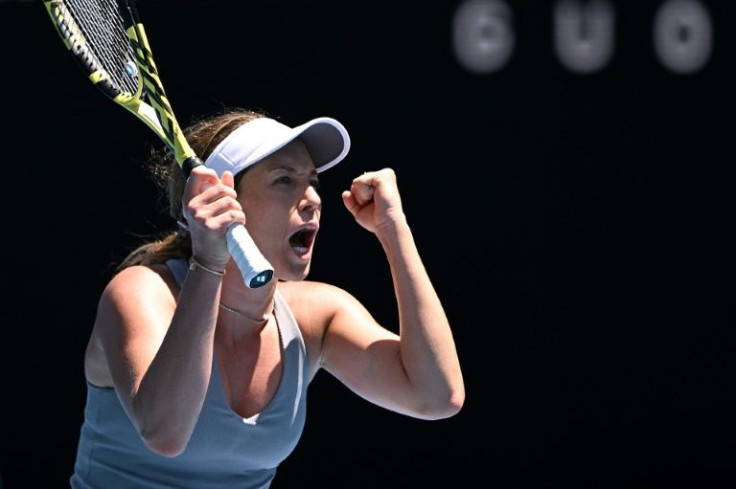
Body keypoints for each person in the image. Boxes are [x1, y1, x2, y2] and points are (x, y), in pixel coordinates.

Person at [69, 108, 465, 488]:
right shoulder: (141, 292)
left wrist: (394, 230)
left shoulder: (317, 315)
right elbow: (166, 435)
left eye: (313, 181)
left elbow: (437, 396)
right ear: (223, 199)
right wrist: (209, 260)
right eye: (285, 181)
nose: (312, 198)